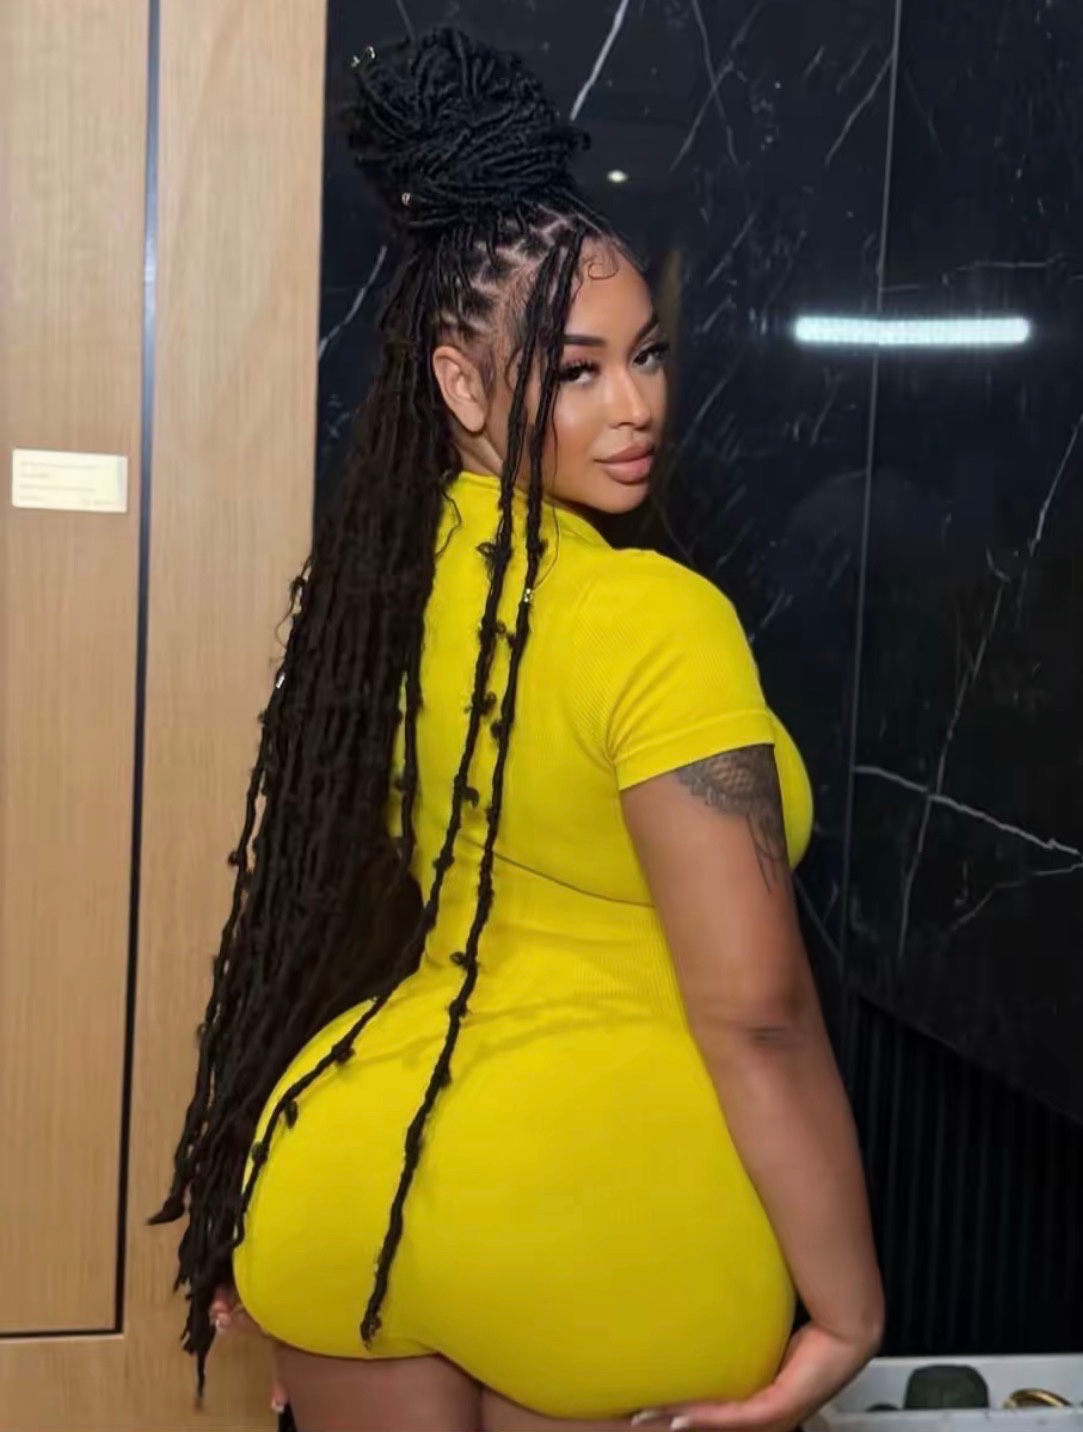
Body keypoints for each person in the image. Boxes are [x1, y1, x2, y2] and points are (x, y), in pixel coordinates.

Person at [153, 27, 883, 1432]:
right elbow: (758, 1013)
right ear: (463, 384)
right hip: (608, 1221)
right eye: (577, 370)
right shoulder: (656, 620)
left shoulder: (372, 595)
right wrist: (849, 1308)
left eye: (648, 355)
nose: (638, 406)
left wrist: (267, 1170)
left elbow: (347, 901)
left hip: (350, 1187)